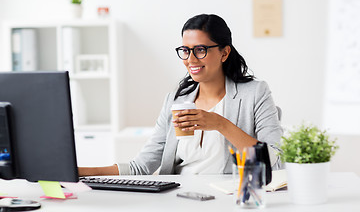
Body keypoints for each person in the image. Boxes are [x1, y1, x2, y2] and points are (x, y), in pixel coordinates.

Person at [78, 14, 283, 176]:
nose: (190, 59)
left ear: (224, 53)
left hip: (229, 199)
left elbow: (272, 158)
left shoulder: (255, 93)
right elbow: (142, 166)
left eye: (200, 50)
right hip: (180, 199)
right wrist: (80, 173)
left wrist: (220, 124)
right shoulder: (175, 101)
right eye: (185, 50)